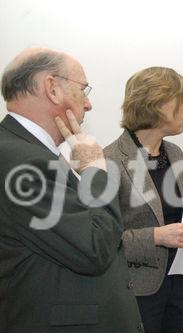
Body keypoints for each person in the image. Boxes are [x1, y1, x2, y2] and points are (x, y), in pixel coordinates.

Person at [0, 48, 143, 332]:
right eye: (83, 90)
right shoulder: (23, 160)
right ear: (52, 88)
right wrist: (94, 170)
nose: (88, 104)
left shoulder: (28, 151)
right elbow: (93, 246)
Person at [104, 67, 183, 333]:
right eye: (182, 102)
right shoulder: (109, 161)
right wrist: (157, 236)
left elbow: (175, 216)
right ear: (157, 104)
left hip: (179, 280)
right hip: (136, 289)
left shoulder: (175, 153)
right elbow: (103, 241)